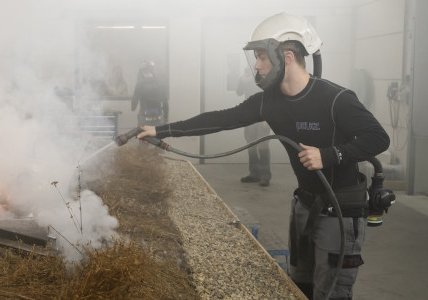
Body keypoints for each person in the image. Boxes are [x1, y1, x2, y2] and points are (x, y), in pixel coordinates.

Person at [137, 12, 389, 300]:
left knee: (330, 292)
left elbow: (379, 138)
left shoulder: (336, 98)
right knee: (300, 286)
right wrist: (161, 130)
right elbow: (222, 119)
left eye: (261, 57)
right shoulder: (271, 101)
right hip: (305, 205)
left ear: (288, 56)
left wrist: (330, 154)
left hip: (340, 213)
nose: (256, 65)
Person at [236, 66, 272, 186]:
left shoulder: (265, 75)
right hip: (249, 117)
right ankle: (254, 174)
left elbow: (272, 96)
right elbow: (239, 92)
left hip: (262, 116)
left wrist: (268, 117)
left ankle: (265, 175)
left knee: (263, 145)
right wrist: (242, 81)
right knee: (251, 145)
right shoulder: (246, 75)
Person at [131, 60, 169, 126]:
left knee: (142, 135)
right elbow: (165, 103)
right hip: (159, 119)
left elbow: (133, 105)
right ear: (152, 70)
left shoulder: (140, 84)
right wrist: (165, 118)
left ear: (142, 72)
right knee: (157, 135)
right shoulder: (161, 83)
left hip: (144, 119)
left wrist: (133, 107)